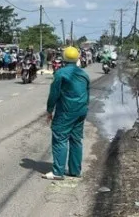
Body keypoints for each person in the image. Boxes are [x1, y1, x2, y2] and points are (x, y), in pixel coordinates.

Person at [43, 46, 90, 180]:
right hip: (81, 110)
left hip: (66, 111)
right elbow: (87, 92)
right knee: (76, 140)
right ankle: (75, 171)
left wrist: (49, 110)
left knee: (60, 138)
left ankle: (58, 172)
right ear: (77, 58)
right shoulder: (83, 74)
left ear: (64, 58)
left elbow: (54, 94)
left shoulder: (61, 73)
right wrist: (85, 108)